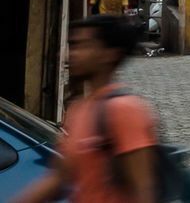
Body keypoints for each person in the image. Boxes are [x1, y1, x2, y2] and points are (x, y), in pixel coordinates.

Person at [14, 15, 157, 203]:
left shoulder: (124, 110)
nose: (70, 54)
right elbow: (59, 178)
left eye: (81, 46)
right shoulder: (77, 110)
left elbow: (143, 191)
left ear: (109, 53)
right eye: (72, 45)